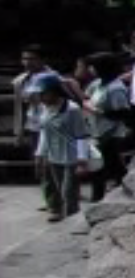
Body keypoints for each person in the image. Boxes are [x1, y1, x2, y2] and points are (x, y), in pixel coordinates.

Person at [28, 72, 90, 222]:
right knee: (57, 188)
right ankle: (61, 213)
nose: (41, 98)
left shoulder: (72, 110)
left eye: (44, 94)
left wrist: (82, 161)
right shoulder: (45, 108)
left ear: (54, 92)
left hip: (71, 156)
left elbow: (81, 136)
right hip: (53, 155)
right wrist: (39, 154)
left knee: (69, 192)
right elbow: (44, 132)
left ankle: (72, 219)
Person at [84, 52, 130, 202]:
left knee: (103, 166)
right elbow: (86, 97)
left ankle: (98, 197)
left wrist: (98, 111)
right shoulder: (97, 84)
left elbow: (121, 113)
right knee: (106, 166)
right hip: (96, 130)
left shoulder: (116, 88)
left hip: (110, 133)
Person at [12, 45, 51, 158]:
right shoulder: (20, 80)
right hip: (34, 125)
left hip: (53, 126)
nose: (27, 62)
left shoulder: (54, 78)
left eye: (32, 59)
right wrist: (19, 132)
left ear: (42, 60)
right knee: (37, 162)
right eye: (24, 59)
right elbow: (20, 108)